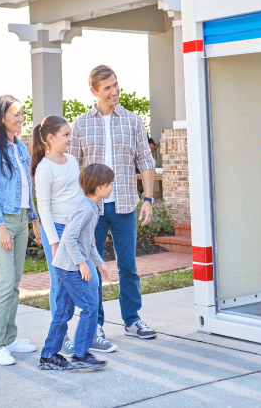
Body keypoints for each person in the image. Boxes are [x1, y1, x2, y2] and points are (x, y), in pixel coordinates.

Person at [70, 65, 157, 350]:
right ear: (94, 91)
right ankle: (94, 325)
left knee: (128, 266)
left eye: (116, 85)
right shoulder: (81, 124)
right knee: (92, 269)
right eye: (107, 87)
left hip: (124, 205)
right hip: (91, 209)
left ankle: (132, 320)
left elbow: (145, 160)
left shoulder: (133, 121)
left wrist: (148, 198)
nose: (114, 91)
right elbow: (71, 167)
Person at [32, 115, 110, 357]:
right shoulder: (44, 168)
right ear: (50, 138)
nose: (70, 139)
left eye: (69, 134)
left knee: (91, 279)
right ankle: (62, 337)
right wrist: (54, 241)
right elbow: (43, 207)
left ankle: (89, 333)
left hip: (77, 227)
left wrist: (89, 233)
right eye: (65, 135)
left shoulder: (73, 161)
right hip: (56, 230)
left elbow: (79, 197)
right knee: (60, 284)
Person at [0, 95, 42, 366]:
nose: (20, 118)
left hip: (21, 221)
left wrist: (35, 221)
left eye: (21, 113)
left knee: (15, 284)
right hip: (1, 222)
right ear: (2, 117)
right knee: (5, 284)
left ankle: (10, 338)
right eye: (15, 114)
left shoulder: (20, 148)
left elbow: (28, 188)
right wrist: (1, 227)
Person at [38, 163, 114, 371]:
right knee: (90, 306)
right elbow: (69, 238)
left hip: (64, 264)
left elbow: (87, 242)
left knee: (63, 312)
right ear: (99, 188)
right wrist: (82, 263)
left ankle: (48, 356)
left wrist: (99, 264)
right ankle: (81, 354)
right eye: (110, 185)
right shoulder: (87, 209)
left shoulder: (91, 206)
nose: (112, 188)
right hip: (69, 267)